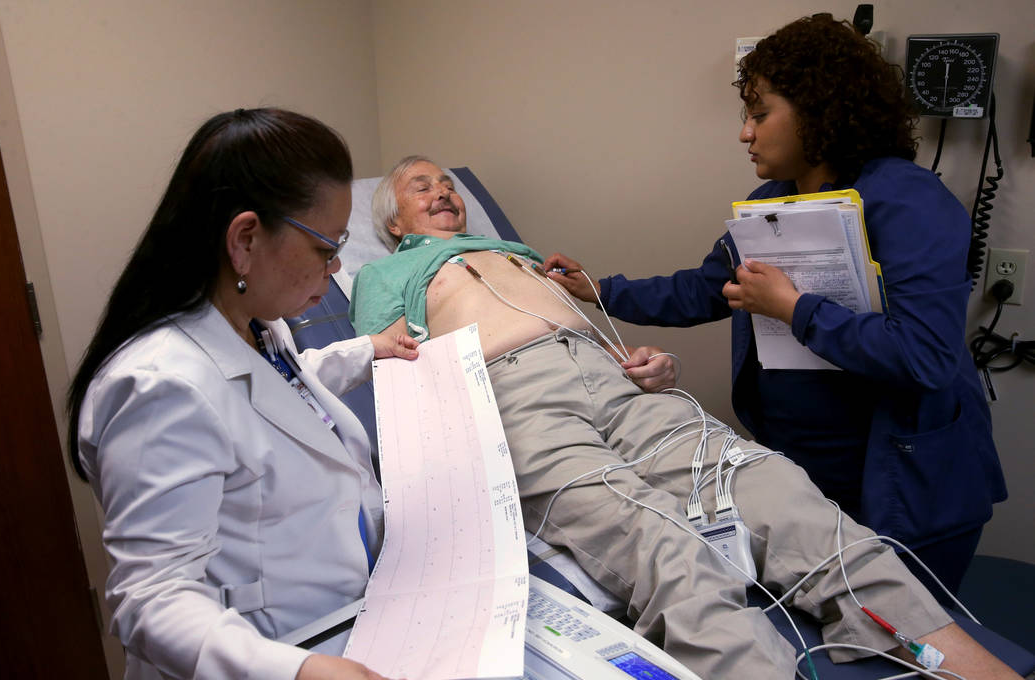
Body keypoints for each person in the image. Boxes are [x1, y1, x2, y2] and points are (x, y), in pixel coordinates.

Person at [348, 156, 1020, 678]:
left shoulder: (521, 256)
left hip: (617, 384)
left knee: (783, 494)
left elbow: (602, 329)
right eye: (418, 186)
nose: (441, 190)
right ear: (396, 225)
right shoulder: (382, 279)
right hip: (516, 397)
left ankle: (971, 667)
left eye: (446, 182)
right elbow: (392, 382)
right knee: (666, 547)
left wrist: (641, 364)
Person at [545, 14, 1007, 597]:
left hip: (905, 484)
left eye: (760, 114)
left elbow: (925, 355)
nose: (745, 134)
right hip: (804, 474)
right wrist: (603, 289)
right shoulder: (772, 202)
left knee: (900, 638)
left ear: (818, 110)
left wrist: (794, 309)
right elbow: (705, 288)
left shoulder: (910, 202)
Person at [67, 108, 419, 680]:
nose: (334, 270)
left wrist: (366, 349)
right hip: (274, 653)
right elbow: (152, 600)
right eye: (324, 248)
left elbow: (281, 396)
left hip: (347, 621)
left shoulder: (255, 326)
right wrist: (299, 673)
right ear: (246, 239)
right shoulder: (160, 387)